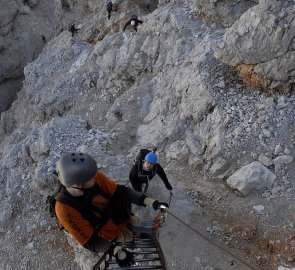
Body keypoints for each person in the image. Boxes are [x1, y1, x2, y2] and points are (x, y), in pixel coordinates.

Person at [54, 152, 168, 267]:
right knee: (126, 238)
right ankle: (131, 239)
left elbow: (121, 191)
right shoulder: (64, 210)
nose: (96, 177)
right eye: (92, 178)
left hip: (120, 216)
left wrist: (150, 202)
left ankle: (137, 234)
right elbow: (91, 241)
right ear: (78, 184)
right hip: (108, 233)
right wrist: (116, 251)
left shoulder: (92, 177)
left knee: (135, 223)